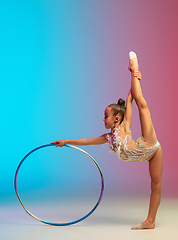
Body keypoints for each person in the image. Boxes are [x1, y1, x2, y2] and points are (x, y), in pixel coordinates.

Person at [51, 51, 163, 230]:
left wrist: (134, 76)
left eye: (106, 116)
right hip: (146, 155)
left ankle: (134, 67)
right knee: (154, 184)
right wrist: (66, 141)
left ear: (117, 118)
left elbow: (131, 98)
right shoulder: (108, 138)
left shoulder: (124, 126)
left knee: (142, 104)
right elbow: (86, 141)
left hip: (149, 145)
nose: (103, 119)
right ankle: (150, 222)